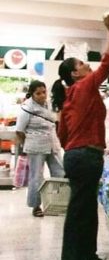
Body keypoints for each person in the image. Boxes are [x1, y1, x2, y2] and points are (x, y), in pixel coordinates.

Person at [52, 12, 109, 260]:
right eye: (81, 63)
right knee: (80, 209)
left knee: (87, 206)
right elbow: (108, 62)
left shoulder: (71, 95)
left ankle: (88, 254)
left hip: (79, 155)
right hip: (85, 156)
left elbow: (62, 134)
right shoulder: (84, 86)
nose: (86, 64)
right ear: (74, 73)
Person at [15, 81, 65, 217]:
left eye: (44, 92)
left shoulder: (49, 105)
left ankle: (58, 202)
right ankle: (36, 205)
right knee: (36, 176)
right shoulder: (27, 108)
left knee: (60, 172)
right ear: (32, 94)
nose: (42, 95)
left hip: (52, 144)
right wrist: (27, 144)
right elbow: (19, 130)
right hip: (35, 146)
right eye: (38, 93)